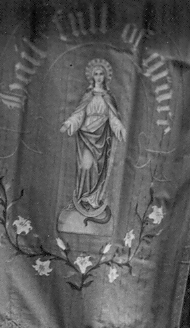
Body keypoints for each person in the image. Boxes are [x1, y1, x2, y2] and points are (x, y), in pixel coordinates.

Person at [59, 57, 125, 224]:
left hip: (102, 137)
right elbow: (79, 114)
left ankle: (93, 199)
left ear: (105, 77)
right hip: (86, 136)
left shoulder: (108, 97)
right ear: (92, 77)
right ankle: (82, 198)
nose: (98, 76)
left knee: (99, 169)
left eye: (101, 74)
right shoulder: (88, 95)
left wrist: (120, 129)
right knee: (86, 167)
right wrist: (69, 123)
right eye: (95, 74)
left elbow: (113, 118)